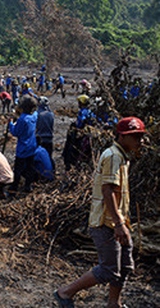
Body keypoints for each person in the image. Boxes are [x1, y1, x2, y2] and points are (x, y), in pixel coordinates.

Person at [55, 117, 146, 308]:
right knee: (109, 269)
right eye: (135, 136)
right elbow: (108, 191)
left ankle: (114, 303)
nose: (140, 140)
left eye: (140, 136)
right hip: (106, 223)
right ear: (121, 136)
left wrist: (122, 222)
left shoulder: (122, 156)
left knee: (124, 266)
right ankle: (65, 292)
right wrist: (119, 225)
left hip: (118, 220)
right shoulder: (113, 156)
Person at [7, 96, 38, 195]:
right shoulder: (34, 116)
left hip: (23, 148)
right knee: (30, 167)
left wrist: (10, 124)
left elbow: (16, 132)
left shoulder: (23, 119)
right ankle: (28, 186)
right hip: (32, 145)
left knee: (18, 169)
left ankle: (14, 187)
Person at [36, 97, 55, 169]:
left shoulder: (38, 114)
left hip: (41, 140)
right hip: (50, 139)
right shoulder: (51, 114)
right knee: (49, 158)